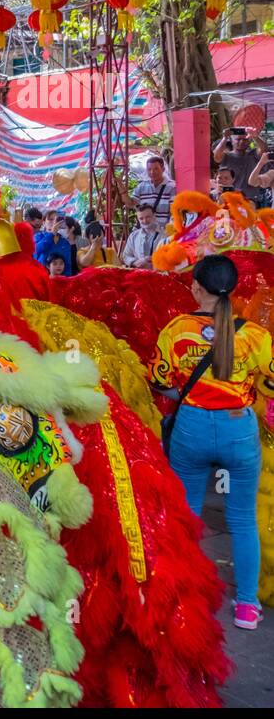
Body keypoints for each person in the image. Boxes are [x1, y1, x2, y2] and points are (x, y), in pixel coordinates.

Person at [151, 254, 271, 631]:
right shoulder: (256, 335)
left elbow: (157, 379)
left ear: (196, 288)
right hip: (239, 430)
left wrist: (186, 395)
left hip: (191, 429)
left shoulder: (177, 329)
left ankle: (184, 597)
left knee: (187, 515)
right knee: (242, 518)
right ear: (233, 291)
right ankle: (247, 607)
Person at [213, 128, 265, 206]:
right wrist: (225, 138)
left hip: (250, 200)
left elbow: (264, 150)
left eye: (245, 139)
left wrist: (255, 136)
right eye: (238, 139)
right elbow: (217, 155)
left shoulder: (253, 154)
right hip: (229, 199)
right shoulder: (226, 156)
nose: (241, 142)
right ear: (232, 141)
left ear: (249, 141)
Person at [125, 154, 176, 228]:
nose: (152, 172)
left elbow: (173, 212)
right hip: (145, 232)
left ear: (163, 169)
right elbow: (130, 204)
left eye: (156, 169)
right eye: (149, 169)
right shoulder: (142, 186)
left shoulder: (172, 186)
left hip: (162, 233)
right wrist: (121, 187)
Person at [122, 203, 164, 269]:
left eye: (148, 217)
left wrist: (153, 264)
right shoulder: (133, 236)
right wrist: (136, 263)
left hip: (160, 275)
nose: (145, 221)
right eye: (141, 218)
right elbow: (126, 256)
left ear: (154, 216)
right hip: (138, 275)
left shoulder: (165, 235)